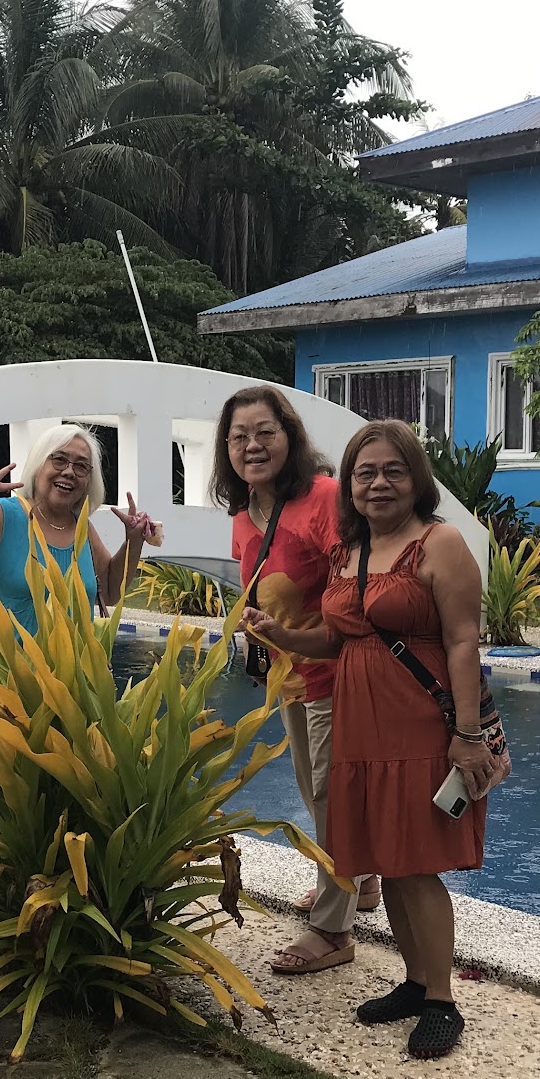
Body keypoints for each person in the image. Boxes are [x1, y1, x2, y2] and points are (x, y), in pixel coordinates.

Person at [242, 420, 510, 1060]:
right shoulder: (349, 552)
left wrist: (467, 735)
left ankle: (442, 1001)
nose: (378, 483)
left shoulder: (439, 543)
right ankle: (415, 983)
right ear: (350, 487)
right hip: (361, 727)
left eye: (393, 471)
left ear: (416, 479)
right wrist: (280, 634)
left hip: (421, 726)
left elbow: (462, 643)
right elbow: (336, 639)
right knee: (388, 860)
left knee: (417, 865)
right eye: (365, 473)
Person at [214, 386, 378, 978]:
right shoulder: (243, 516)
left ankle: (333, 930)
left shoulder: (323, 498)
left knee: (331, 797)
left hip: (333, 672)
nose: (252, 446)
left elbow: (353, 585)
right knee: (316, 792)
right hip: (288, 676)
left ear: (290, 436)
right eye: (239, 436)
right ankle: (361, 882)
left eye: (266, 432)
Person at [0, 422, 161, 647]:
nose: (69, 472)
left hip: (65, 675)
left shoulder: (83, 530)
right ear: (38, 466)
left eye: (81, 466)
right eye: (59, 460)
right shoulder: (0, 517)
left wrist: (134, 541)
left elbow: (109, 591)